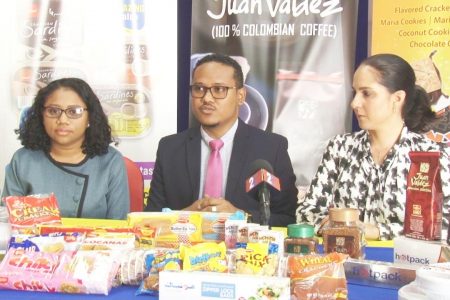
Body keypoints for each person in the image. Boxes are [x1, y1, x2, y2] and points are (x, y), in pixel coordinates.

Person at [297, 53, 450, 240]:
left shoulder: (430, 157)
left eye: (366, 93)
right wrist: (333, 225)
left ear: (398, 98)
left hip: (405, 267)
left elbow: (442, 228)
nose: (354, 103)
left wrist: (376, 232)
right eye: (355, 93)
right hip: (341, 264)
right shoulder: (340, 148)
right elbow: (306, 213)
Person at [146, 53, 298, 227]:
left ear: (241, 96)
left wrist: (241, 217)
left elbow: (288, 219)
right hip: (184, 249)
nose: (207, 98)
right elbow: (150, 219)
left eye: (219, 89)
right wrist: (185, 217)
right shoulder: (170, 148)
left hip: (246, 251)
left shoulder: (271, 148)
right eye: (199, 89)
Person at [2, 78, 130, 219]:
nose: (62, 120)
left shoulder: (111, 161)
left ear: (90, 118)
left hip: (96, 241)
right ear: (42, 115)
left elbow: (120, 227)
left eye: (74, 111)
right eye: (53, 111)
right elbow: (9, 222)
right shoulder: (23, 160)